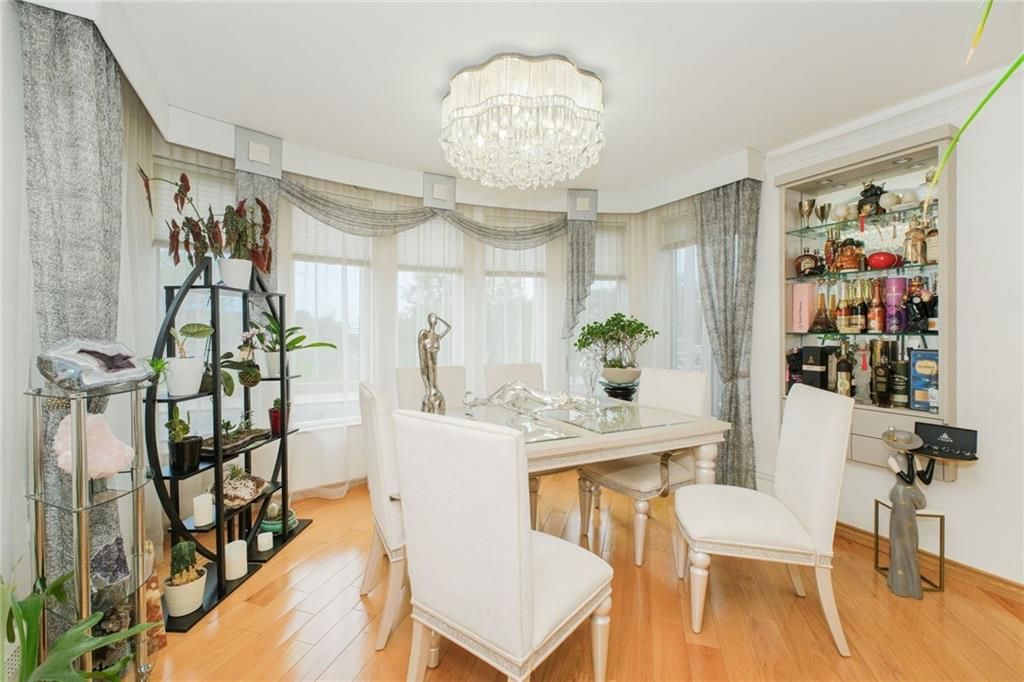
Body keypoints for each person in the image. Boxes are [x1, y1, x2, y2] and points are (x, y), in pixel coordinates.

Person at [417, 313, 451, 414]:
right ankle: (429, 393)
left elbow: (449, 327)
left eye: (435, 319)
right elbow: (421, 359)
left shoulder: (436, 337)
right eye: (432, 318)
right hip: (427, 366)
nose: (434, 321)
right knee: (432, 397)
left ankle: (432, 393)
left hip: (434, 368)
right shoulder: (424, 334)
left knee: (438, 398)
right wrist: (427, 390)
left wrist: (439, 318)